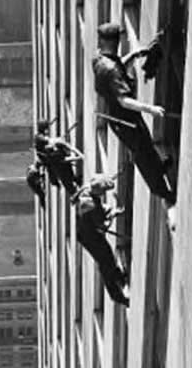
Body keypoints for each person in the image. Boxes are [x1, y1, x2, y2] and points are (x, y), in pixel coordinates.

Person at [92, 21, 176, 208]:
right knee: (142, 154)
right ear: (115, 42)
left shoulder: (99, 59)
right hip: (124, 119)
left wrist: (135, 55)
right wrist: (150, 109)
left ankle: (160, 167)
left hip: (121, 118)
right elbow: (124, 100)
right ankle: (162, 191)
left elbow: (118, 64)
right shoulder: (111, 69)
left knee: (146, 143)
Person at [73, 174, 129, 306]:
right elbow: (101, 224)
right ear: (97, 190)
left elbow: (99, 209)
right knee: (105, 262)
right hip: (89, 237)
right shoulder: (88, 204)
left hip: (88, 231)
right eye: (103, 191)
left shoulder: (87, 189)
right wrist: (113, 213)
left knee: (108, 254)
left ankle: (119, 276)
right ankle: (117, 296)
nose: (104, 194)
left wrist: (108, 210)